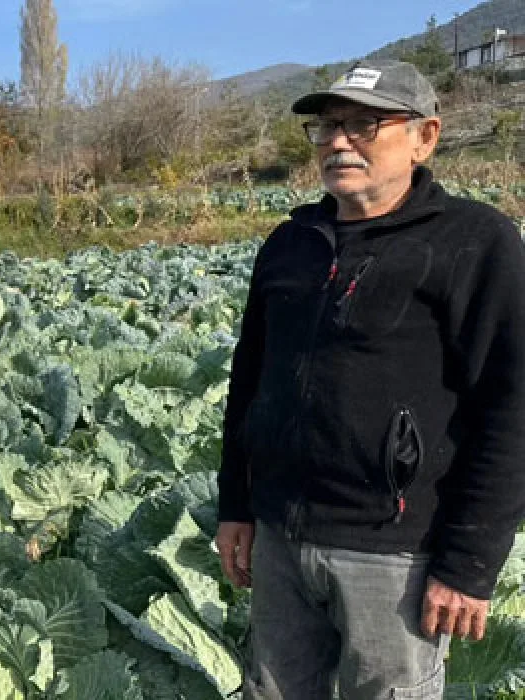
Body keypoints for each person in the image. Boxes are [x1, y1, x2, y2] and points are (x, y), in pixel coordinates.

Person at [216, 59, 525, 699]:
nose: (337, 142)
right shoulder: (290, 243)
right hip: (281, 538)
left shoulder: (474, 244)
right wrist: (237, 505)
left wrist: (469, 563)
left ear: (424, 137)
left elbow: (513, 406)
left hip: (395, 553)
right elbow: (249, 382)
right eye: (327, 126)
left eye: (364, 125)